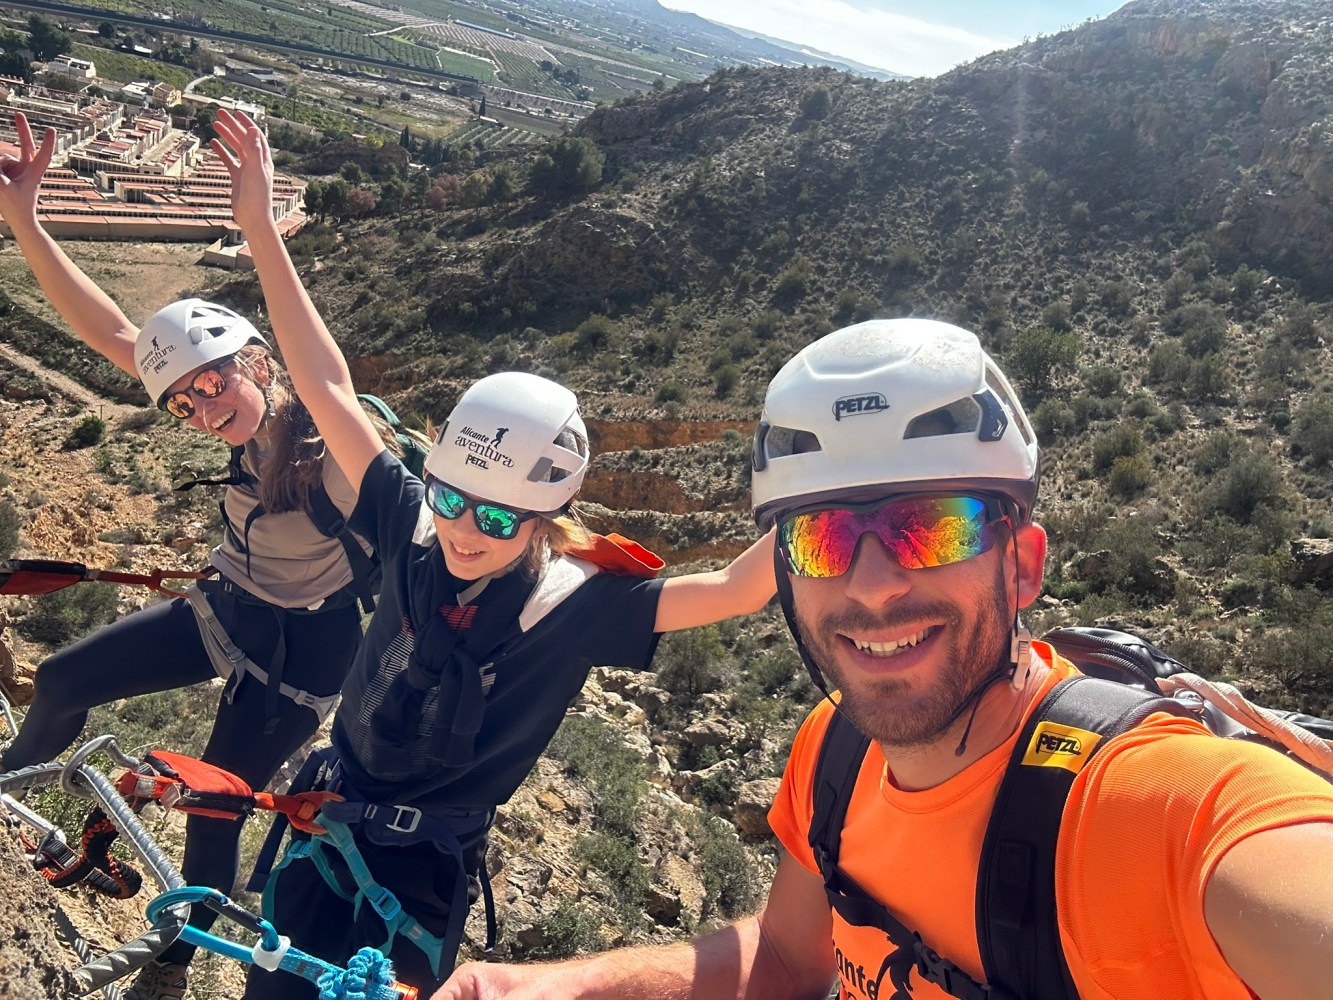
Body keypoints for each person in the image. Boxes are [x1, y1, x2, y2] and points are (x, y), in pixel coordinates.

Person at [433, 318, 1333, 1000]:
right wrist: (534, 985)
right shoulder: (835, 750)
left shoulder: (1164, 807)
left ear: (1021, 564)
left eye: (929, 527)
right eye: (822, 538)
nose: (870, 587)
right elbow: (787, 957)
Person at [209, 109, 777, 1000]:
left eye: (501, 518)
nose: (468, 529)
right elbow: (326, 388)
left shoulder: (578, 602)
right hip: (327, 826)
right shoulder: (410, 523)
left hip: (423, 872)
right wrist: (260, 234)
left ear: (547, 520)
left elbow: (742, 587)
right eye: (453, 498)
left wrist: (854, 484)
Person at [0, 112, 377, 1000]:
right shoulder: (235, 427)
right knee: (58, 682)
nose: (206, 409)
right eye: (185, 405)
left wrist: (258, 231)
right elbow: (107, 333)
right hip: (227, 610)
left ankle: (167, 968)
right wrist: (27, 221)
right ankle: (8, 800)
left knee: (212, 811)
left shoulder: (332, 445)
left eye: (216, 383)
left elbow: (328, 378)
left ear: (257, 363)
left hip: (304, 655)